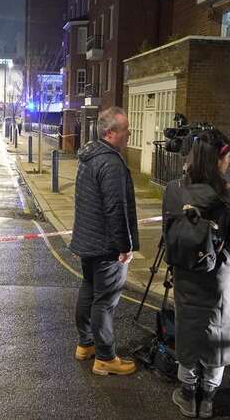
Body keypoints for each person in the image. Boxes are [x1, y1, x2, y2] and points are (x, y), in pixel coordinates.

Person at [162, 129, 230, 418]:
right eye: (227, 158)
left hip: (186, 272)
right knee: (218, 334)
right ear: (219, 160)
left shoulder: (174, 189)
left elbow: (168, 233)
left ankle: (188, 395)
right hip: (220, 275)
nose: (229, 163)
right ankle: (208, 400)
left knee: (189, 330)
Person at [69, 107, 139, 376]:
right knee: (105, 300)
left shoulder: (89, 156)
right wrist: (124, 246)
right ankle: (106, 358)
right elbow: (115, 209)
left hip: (87, 239)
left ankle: (85, 345)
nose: (129, 134)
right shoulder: (111, 163)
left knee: (89, 289)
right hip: (105, 244)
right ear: (111, 133)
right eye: (126, 130)